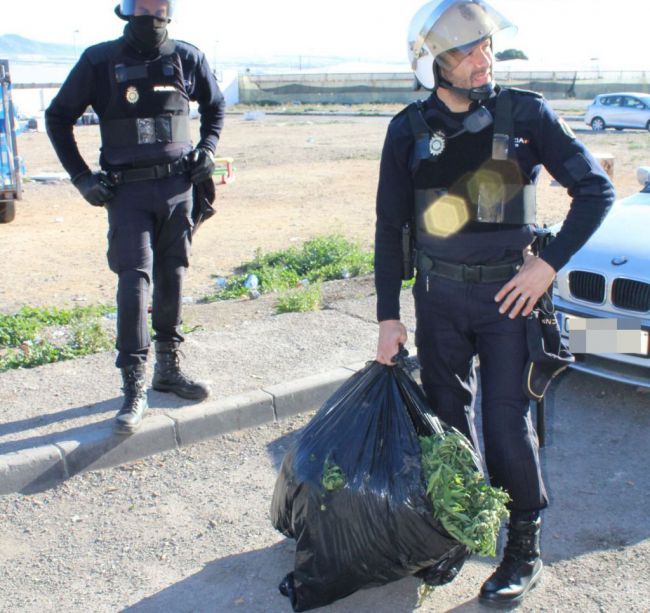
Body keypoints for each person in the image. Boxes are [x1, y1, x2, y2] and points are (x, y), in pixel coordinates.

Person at [374, 0, 614, 606]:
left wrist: (547, 264)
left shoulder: (526, 113)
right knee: (447, 423)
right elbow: (388, 227)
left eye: (487, 47)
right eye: (466, 51)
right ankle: (458, 533)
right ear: (431, 64)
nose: (483, 60)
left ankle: (522, 548)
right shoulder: (406, 129)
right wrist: (387, 318)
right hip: (438, 298)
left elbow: (595, 190)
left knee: (506, 425)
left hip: (510, 298)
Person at [46, 0, 226, 434]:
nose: (151, 11)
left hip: (178, 189)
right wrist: (82, 178)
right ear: (125, 10)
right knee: (134, 282)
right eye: (142, 4)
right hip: (127, 193)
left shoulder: (187, 57)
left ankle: (168, 368)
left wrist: (208, 148)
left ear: (170, 9)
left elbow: (216, 107)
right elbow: (57, 117)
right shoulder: (100, 60)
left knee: (173, 276)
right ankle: (133, 386)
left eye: (159, 4)